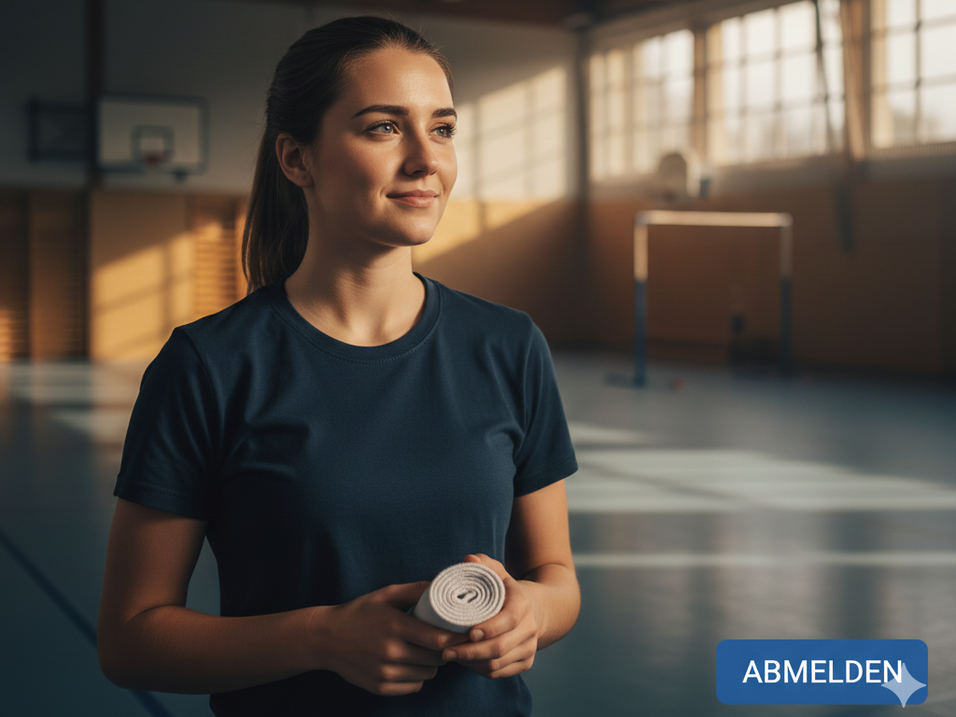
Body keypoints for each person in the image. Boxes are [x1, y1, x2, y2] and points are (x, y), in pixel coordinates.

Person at [97, 16, 579, 717]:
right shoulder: (209, 366)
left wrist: (530, 611)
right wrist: (321, 637)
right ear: (297, 159)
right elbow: (130, 640)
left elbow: (557, 577)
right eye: (384, 128)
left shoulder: (509, 346)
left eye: (442, 129)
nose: (426, 159)